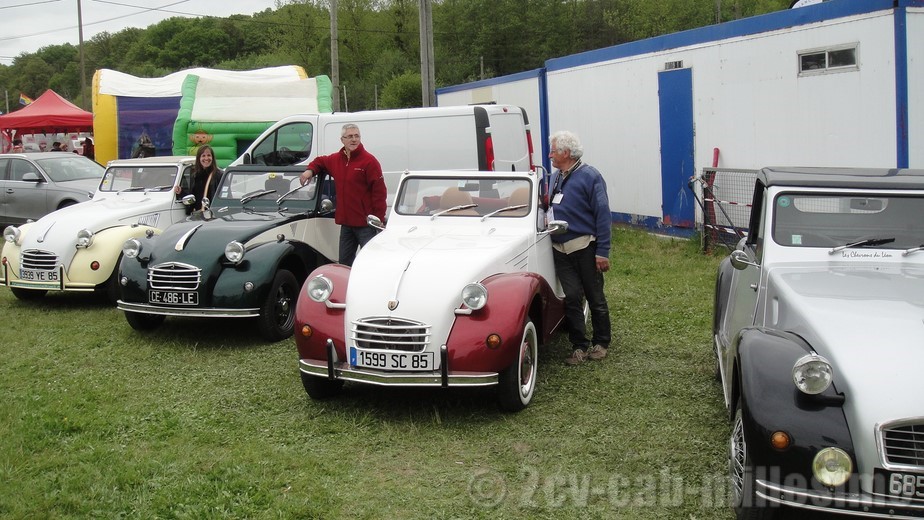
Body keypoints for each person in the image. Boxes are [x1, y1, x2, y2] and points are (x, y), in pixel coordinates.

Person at [546, 130, 612, 365]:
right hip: (560, 248)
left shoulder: (590, 176)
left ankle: (601, 342)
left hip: (584, 246)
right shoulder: (555, 177)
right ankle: (579, 346)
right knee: (572, 297)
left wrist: (602, 252)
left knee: (594, 296)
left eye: (553, 151)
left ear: (566, 153)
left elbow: (603, 215)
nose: (550, 155)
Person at [299, 123, 386, 267]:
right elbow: (320, 161)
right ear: (342, 140)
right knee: (344, 264)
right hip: (346, 224)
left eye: (356, 136)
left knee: (370, 264)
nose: (354, 139)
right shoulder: (336, 160)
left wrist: (378, 220)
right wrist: (310, 171)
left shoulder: (370, 161)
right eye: (350, 136)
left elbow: (380, 193)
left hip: (366, 225)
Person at [175, 145, 221, 213]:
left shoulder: (219, 175)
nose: (206, 158)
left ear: (213, 158)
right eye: (203, 156)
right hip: (199, 214)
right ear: (199, 158)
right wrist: (181, 192)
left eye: (209, 155)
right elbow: (192, 197)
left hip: (213, 213)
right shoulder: (195, 176)